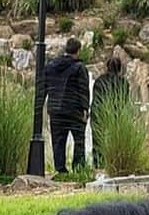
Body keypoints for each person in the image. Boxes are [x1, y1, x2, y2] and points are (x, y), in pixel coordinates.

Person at [45, 36, 90, 172]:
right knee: (79, 140)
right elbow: (83, 89)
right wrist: (85, 108)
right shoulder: (79, 67)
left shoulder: (51, 66)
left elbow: (45, 86)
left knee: (58, 141)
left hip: (55, 110)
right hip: (73, 109)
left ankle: (60, 170)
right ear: (78, 51)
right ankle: (79, 168)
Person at [90, 54, 130, 167]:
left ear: (107, 67)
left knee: (98, 140)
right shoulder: (123, 82)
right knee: (117, 140)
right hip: (117, 114)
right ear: (119, 68)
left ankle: (98, 164)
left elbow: (96, 98)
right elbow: (124, 101)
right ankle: (115, 163)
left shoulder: (99, 81)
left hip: (99, 113)